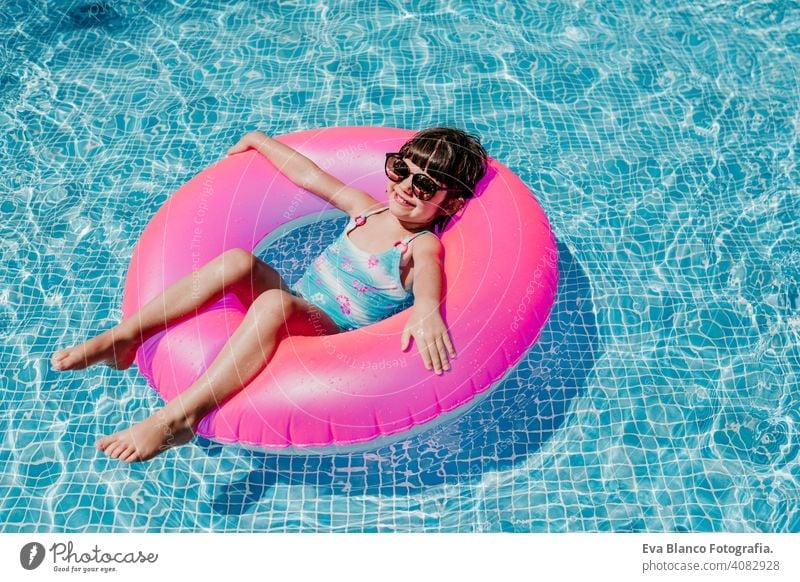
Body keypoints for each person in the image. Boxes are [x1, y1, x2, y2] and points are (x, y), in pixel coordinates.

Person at [50, 127, 488, 462]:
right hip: (298, 299)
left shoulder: (418, 245)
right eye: (401, 169)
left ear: (448, 206)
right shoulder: (366, 208)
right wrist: (261, 139)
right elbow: (311, 175)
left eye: (426, 186)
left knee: (275, 303)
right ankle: (125, 337)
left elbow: (430, 272)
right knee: (239, 260)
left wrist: (428, 308)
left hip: (329, 331)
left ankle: (178, 419)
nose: (407, 187)